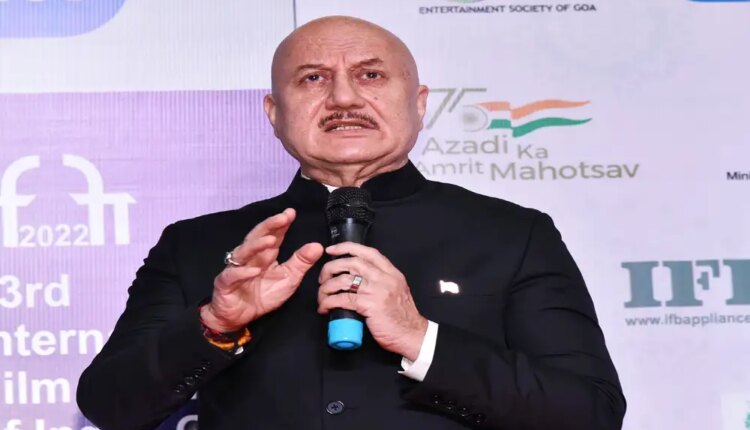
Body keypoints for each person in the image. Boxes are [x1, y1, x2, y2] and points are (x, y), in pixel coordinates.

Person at [77, 16, 626, 430]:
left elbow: (590, 413)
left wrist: (421, 339)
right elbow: (110, 407)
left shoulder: (513, 235)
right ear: (274, 113)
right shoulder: (198, 245)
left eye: (370, 75)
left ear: (419, 103)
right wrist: (214, 326)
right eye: (313, 78)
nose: (343, 97)